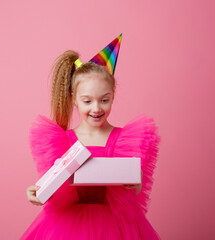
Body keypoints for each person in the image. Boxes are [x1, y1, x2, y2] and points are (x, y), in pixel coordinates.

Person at [21, 34, 161, 239]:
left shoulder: (124, 141)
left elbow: (134, 192)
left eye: (104, 100)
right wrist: (37, 193)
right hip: (68, 227)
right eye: (87, 101)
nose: (96, 108)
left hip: (116, 228)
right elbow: (53, 188)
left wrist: (136, 182)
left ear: (113, 97)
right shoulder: (62, 142)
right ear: (74, 100)